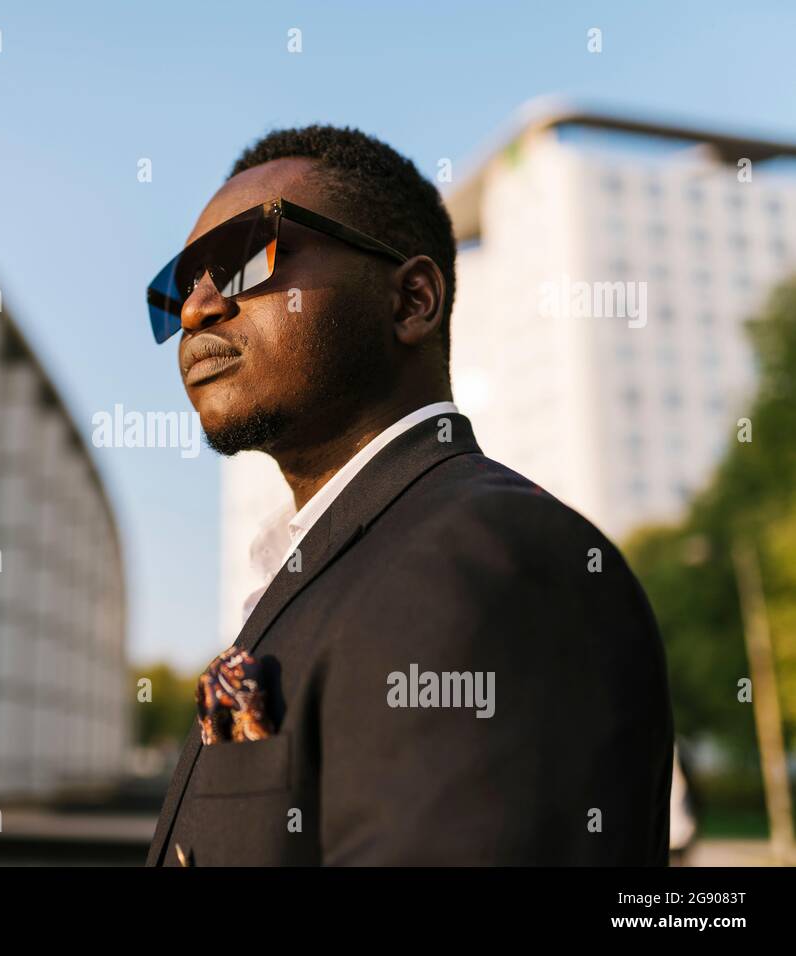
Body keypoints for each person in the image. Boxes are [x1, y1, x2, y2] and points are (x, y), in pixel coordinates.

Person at [143, 124, 674, 866]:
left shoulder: (491, 560)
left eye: (241, 261)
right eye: (178, 288)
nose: (196, 311)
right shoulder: (325, 570)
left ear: (411, 300)